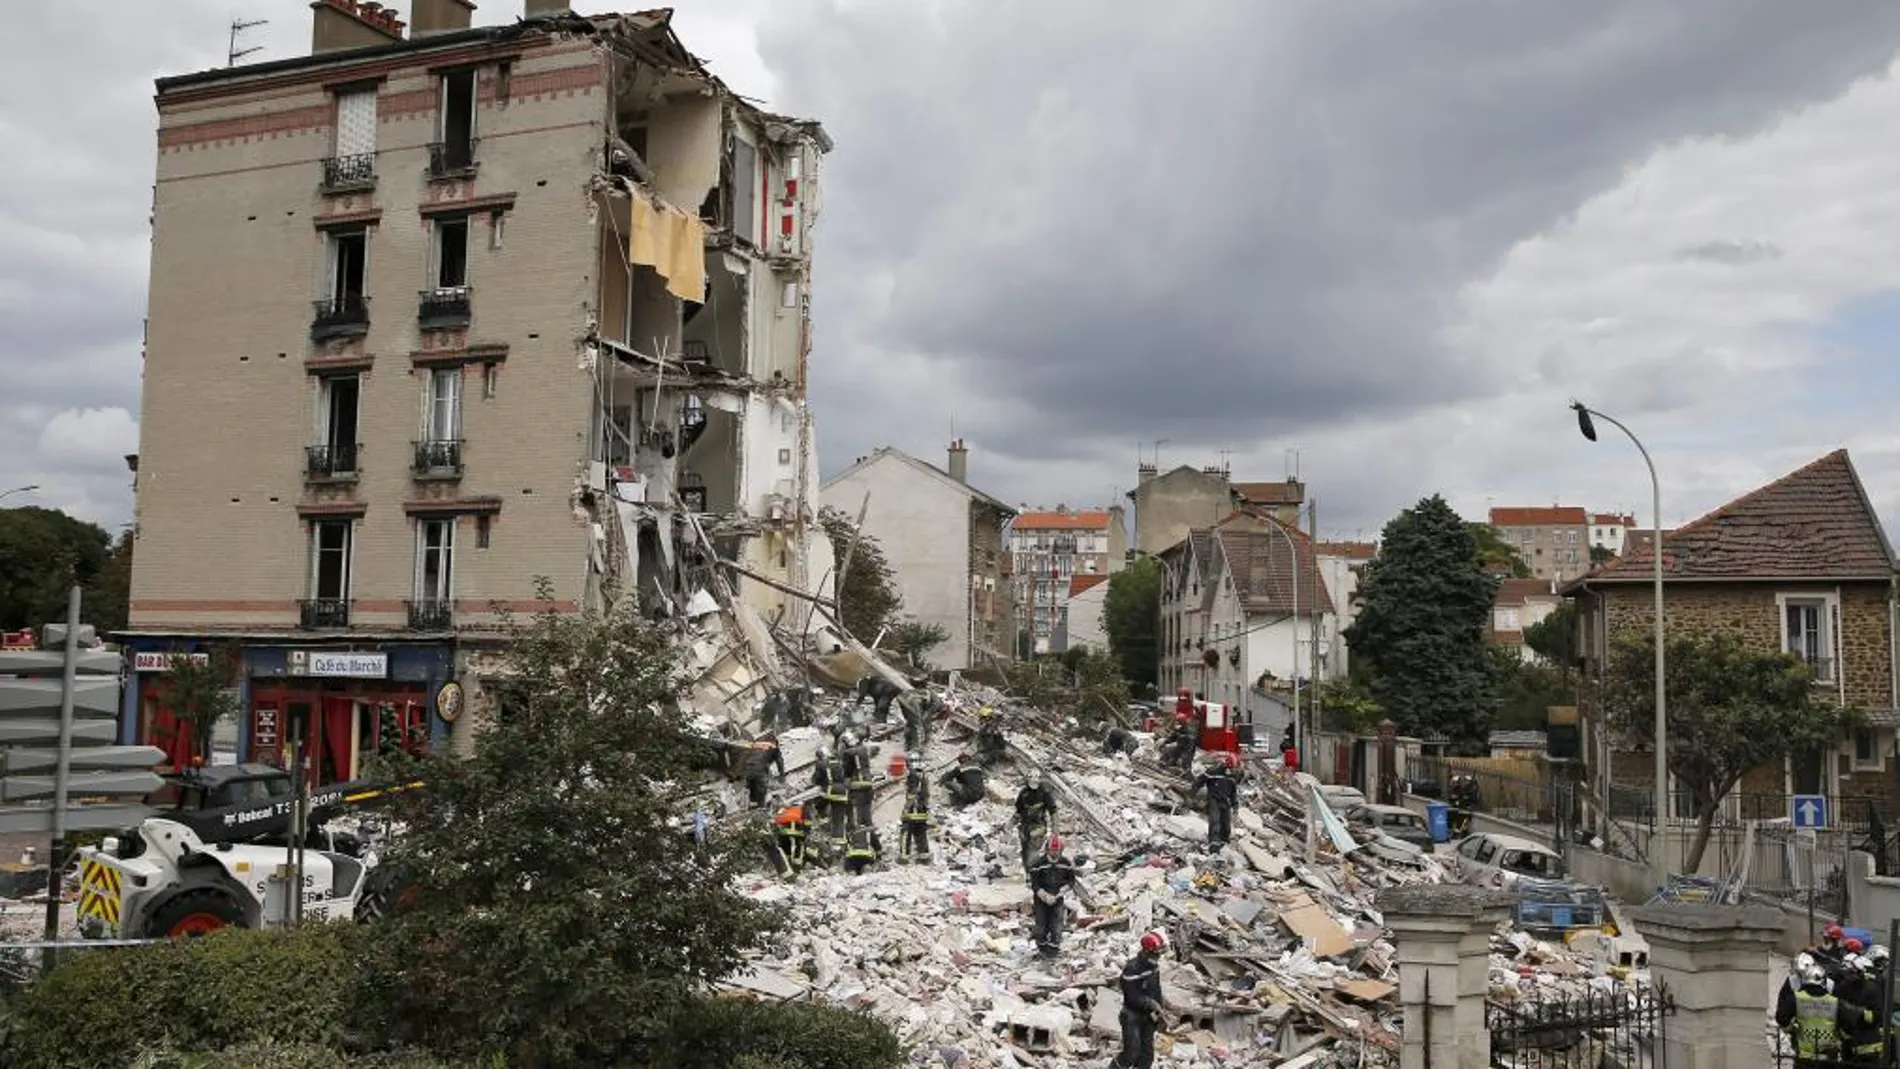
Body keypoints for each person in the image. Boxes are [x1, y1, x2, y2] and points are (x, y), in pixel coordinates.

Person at [1112, 931, 1167, 1069]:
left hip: (1148, 1017)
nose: (1159, 956)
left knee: (1147, 1056)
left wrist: (1160, 1011)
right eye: (1156, 952)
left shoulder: (1154, 967)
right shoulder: (1132, 969)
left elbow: (1156, 989)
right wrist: (1151, 1003)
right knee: (1131, 1054)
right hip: (1132, 1016)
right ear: (1148, 951)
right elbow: (1131, 997)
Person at [1777, 958, 1842, 1067]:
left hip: (1804, 1057)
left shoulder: (1797, 998)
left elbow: (1781, 1017)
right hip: (1828, 1057)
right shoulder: (1834, 1001)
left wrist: (1791, 1029)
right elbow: (1848, 1023)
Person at [1026, 835, 1078, 955]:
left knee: (1056, 926)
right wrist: (1044, 895)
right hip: (1041, 899)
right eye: (1052, 850)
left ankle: (1053, 950)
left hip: (1057, 898)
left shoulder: (1066, 863)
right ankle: (1042, 948)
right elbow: (1034, 883)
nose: (1054, 852)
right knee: (1041, 926)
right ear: (1047, 849)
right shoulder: (1038, 864)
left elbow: (1071, 881)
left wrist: (1060, 893)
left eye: (1057, 850)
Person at [1834, 954, 1884, 1066]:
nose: (1848, 975)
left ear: (1860, 973)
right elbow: (1836, 1012)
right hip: (1848, 1044)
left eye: (1852, 972)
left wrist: (1855, 1012)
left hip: (1868, 1046)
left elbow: (1877, 1016)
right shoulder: (1842, 988)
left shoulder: (1872, 990)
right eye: (1849, 972)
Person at [1191, 753, 1240, 849]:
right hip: (1213, 799)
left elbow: (1233, 793)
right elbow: (1199, 781)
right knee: (1215, 822)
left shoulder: (1232, 777)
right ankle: (1213, 846)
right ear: (1227, 765)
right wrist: (1192, 793)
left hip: (1225, 801)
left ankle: (1223, 844)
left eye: (1234, 769)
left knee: (1226, 826)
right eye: (1232, 768)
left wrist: (1235, 807)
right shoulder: (1213, 772)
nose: (1233, 770)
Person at [1015, 772, 1060, 870]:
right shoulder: (1023, 793)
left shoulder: (1044, 793)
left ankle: (1033, 873)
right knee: (1025, 850)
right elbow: (1018, 810)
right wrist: (1011, 823)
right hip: (1024, 826)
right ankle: (1028, 874)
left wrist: (1055, 828)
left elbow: (1053, 811)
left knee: (1033, 850)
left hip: (1038, 825)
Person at [899, 765, 933, 864]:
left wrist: (905, 811)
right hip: (922, 813)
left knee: (905, 832)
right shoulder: (924, 778)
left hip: (912, 812)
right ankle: (924, 856)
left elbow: (912, 795)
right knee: (921, 834)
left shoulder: (913, 776)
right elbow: (926, 796)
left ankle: (904, 857)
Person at [814, 747, 850, 840]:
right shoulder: (839, 763)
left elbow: (816, 779)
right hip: (842, 792)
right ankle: (838, 842)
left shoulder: (821, 764)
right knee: (838, 819)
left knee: (819, 804)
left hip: (829, 791)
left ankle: (823, 820)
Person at [841, 732, 876, 828]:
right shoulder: (864, 749)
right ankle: (871, 833)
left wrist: (845, 786)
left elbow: (847, 772)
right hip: (868, 784)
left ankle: (857, 835)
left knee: (855, 815)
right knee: (867, 813)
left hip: (856, 787)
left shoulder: (848, 753)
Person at [742, 733, 785, 809]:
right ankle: (760, 811)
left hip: (747, 770)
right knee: (761, 795)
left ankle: (752, 810)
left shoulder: (755, 744)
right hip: (759, 771)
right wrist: (782, 776)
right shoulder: (773, 746)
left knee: (752, 794)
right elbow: (780, 762)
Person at [772, 802, 808, 878]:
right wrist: (806, 832)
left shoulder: (782, 810)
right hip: (796, 832)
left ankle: (786, 865)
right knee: (799, 848)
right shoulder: (801, 809)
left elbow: (775, 820)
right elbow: (807, 822)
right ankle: (797, 868)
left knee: (785, 849)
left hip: (783, 832)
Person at [898, 687, 936, 752]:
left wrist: (925, 714)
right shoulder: (907, 698)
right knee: (912, 724)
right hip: (910, 705)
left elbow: (933, 706)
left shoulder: (932, 699)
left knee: (922, 725)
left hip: (924, 707)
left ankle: (919, 745)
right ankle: (911, 744)